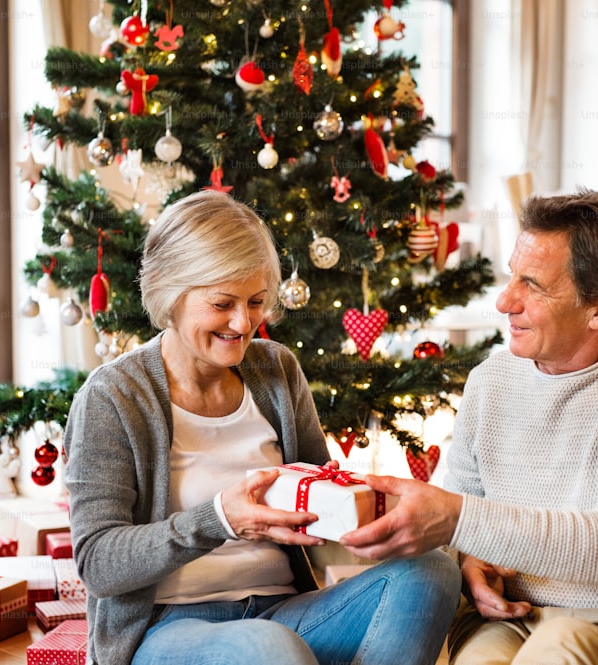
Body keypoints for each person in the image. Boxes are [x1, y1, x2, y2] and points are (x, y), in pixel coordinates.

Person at [64, 190, 460, 665]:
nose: (243, 322)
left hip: (286, 610)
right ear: (171, 294)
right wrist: (221, 520)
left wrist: (369, 509)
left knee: (431, 572)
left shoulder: (276, 371)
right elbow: (98, 564)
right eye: (222, 303)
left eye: (255, 302)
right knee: (268, 650)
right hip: (168, 627)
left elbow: (322, 501)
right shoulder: (114, 395)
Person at [339, 189, 598, 665]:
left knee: (561, 648)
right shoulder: (489, 380)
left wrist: (458, 519)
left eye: (533, 285)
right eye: (511, 275)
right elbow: (465, 525)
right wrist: (470, 562)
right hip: (506, 618)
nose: (504, 300)